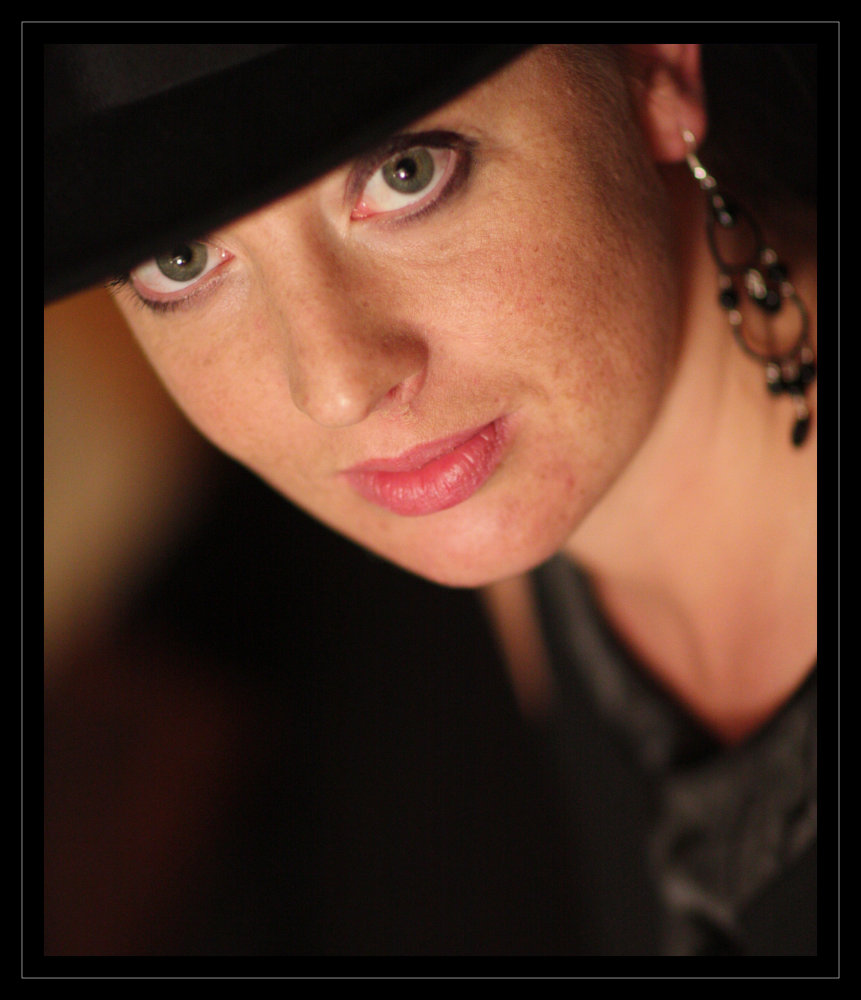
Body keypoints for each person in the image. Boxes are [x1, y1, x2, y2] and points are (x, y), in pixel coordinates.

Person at [42, 41, 825, 959]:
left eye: (406, 173)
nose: (336, 384)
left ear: (659, 64)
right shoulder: (530, 543)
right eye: (178, 262)